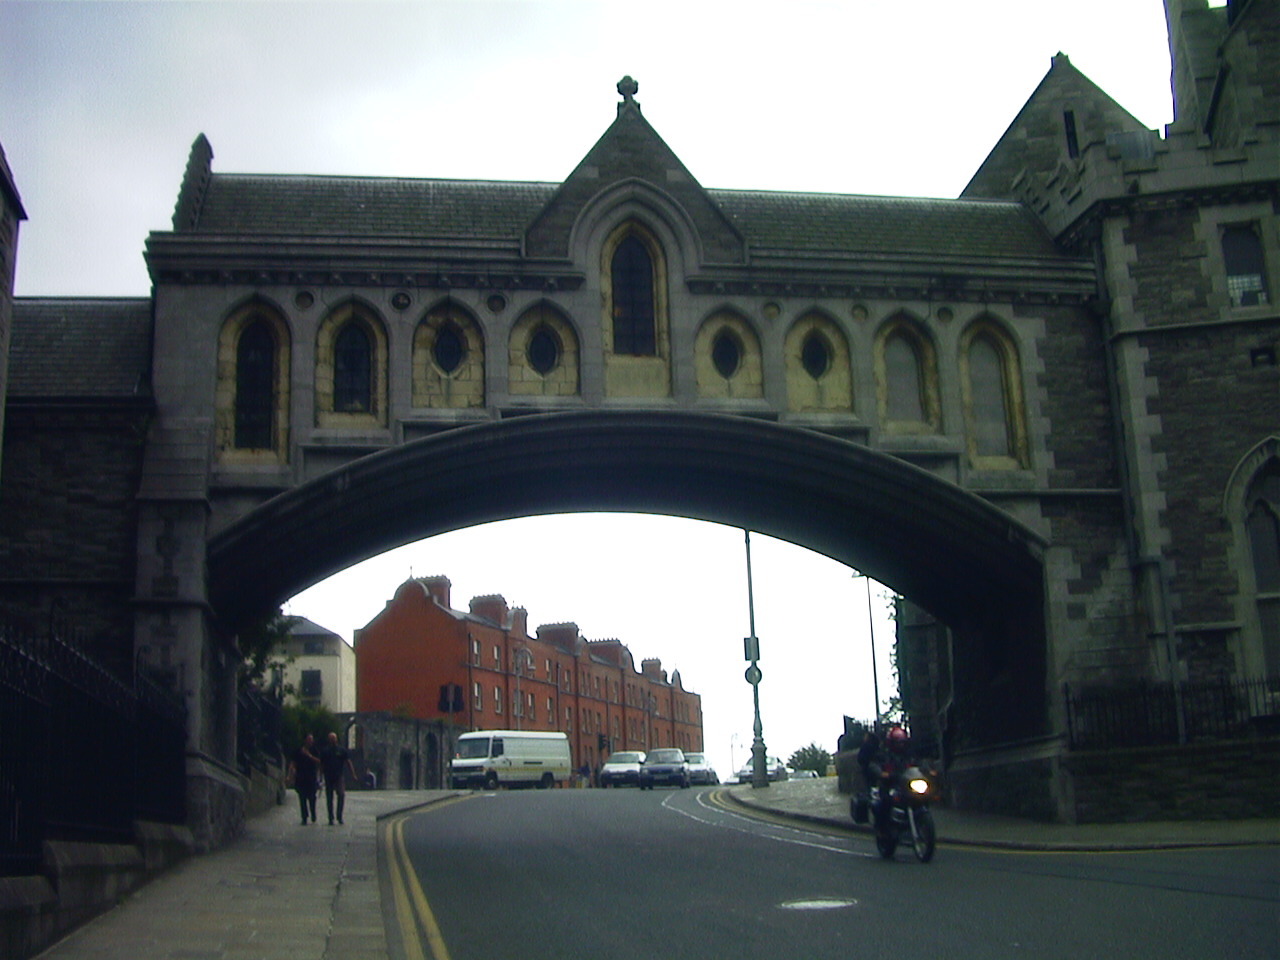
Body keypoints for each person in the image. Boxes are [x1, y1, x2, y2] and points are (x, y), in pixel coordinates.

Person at [866, 724, 914, 828]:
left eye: (902, 742)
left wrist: (928, 770)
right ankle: (883, 830)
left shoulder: (908, 754)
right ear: (892, 743)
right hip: (889, 784)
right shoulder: (884, 754)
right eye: (898, 743)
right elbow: (873, 764)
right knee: (885, 802)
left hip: (905, 784)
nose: (901, 745)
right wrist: (881, 773)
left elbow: (918, 763)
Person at [319, 731, 357, 825]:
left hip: (339, 776)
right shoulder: (325, 751)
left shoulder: (342, 750)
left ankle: (339, 816)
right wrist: (320, 776)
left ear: (336, 739)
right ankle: (331, 818)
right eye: (331, 738)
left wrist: (353, 774)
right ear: (329, 740)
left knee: (341, 795)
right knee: (329, 797)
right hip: (328, 776)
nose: (333, 740)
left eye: (334, 738)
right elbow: (321, 764)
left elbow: (348, 762)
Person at [288, 733, 321, 825]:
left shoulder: (314, 750)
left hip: (311, 777)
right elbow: (293, 762)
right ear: (305, 740)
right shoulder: (298, 751)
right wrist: (290, 775)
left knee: (312, 798)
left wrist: (309, 756)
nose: (311, 741)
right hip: (301, 777)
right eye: (309, 739)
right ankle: (304, 817)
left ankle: (313, 813)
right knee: (302, 798)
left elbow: (319, 761)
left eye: (312, 739)